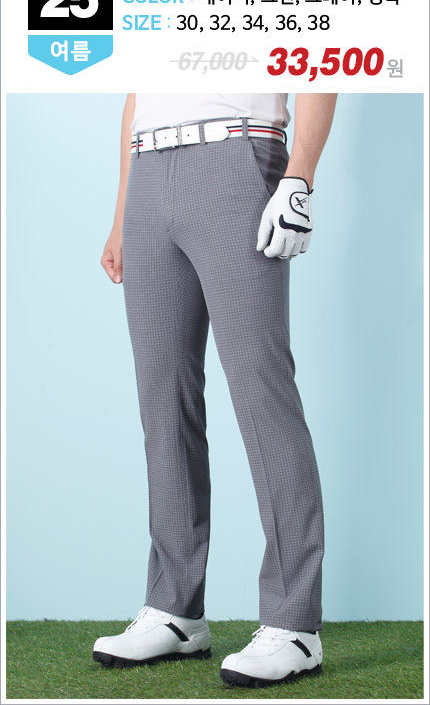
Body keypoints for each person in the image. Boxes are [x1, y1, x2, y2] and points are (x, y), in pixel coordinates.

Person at [94, 93, 337, 689]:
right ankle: (174, 610)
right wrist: (123, 211)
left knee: (262, 393)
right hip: (149, 169)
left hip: (238, 156)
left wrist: (298, 180)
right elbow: (136, 96)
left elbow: (319, 62)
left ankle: (294, 625)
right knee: (162, 401)